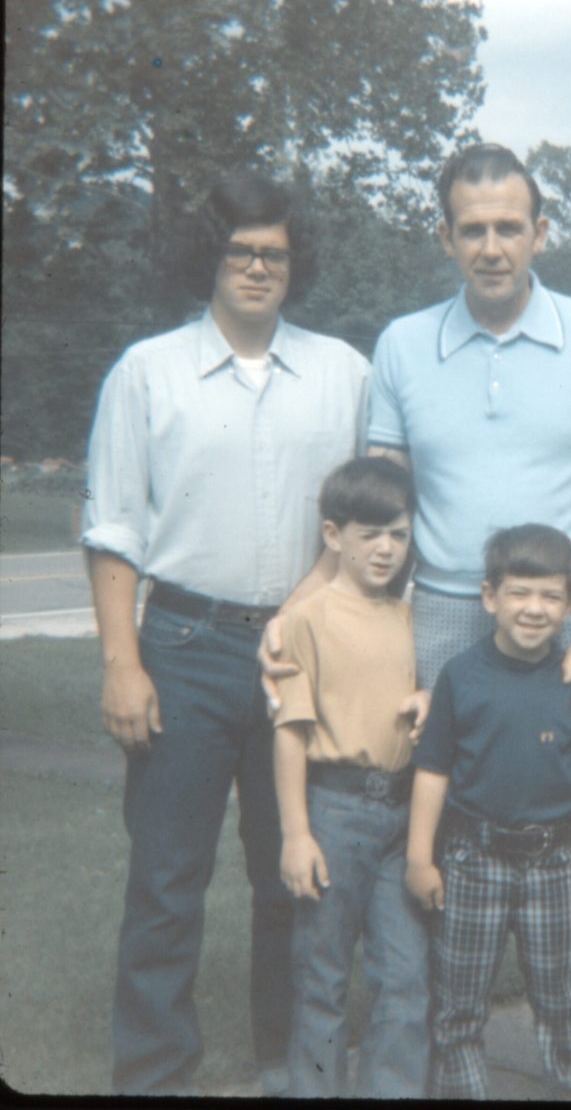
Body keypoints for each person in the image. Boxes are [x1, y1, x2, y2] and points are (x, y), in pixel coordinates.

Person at [365, 142, 571, 1096]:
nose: (491, 246)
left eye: (508, 227)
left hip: (568, 616)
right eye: (472, 229)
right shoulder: (403, 344)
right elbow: (383, 507)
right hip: (445, 612)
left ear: (540, 231)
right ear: (445, 236)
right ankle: (439, 1076)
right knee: (428, 842)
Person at [82, 171, 371, 1095]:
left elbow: (366, 517)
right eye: (239, 250)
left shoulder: (344, 374)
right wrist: (122, 664)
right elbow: (114, 528)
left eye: (273, 253)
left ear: (296, 263)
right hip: (183, 648)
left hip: (300, 654)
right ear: (209, 258)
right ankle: (155, 1073)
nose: (256, 267)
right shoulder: (147, 371)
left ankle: (287, 1066)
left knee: (294, 873)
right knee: (167, 881)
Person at [406, 525, 571, 1101]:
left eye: (550, 595)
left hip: (553, 866)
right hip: (473, 862)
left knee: (561, 1002)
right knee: (459, 1005)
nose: (534, 608)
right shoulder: (460, 676)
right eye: (519, 592)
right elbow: (433, 770)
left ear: (569, 605)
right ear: (490, 596)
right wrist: (419, 858)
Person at [272, 457, 430, 1097]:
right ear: (334, 535)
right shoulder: (306, 619)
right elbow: (290, 731)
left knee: (406, 976)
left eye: (399, 533)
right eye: (370, 535)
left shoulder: (406, 616)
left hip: (401, 816)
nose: (387, 548)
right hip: (332, 813)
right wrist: (296, 834)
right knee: (323, 976)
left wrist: (428, 700)